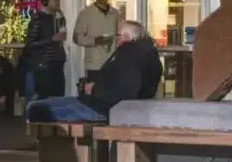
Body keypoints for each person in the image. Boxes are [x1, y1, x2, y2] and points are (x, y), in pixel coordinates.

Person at [27, 20, 163, 122]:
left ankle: (60, 157)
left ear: (127, 37)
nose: (116, 39)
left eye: (118, 35)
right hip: (104, 106)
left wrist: (93, 89)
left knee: (35, 109)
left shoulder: (130, 55)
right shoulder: (145, 55)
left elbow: (123, 91)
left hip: (101, 108)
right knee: (41, 105)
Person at [19, 0, 67, 100]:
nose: (58, 2)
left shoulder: (59, 17)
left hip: (58, 63)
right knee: (44, 98)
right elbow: (30, 44)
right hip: (44, 65)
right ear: (46, 1)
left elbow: (61, 37)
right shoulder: (38, 19)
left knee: (58, 97)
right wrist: (51, 39)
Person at [73, 0, 120, 82]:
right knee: (95, 95)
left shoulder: (115, 13)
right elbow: (76, 38)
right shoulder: (86, 13)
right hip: (94, 65)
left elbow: (119, 35)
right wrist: (95, 40)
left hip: (112, 63)